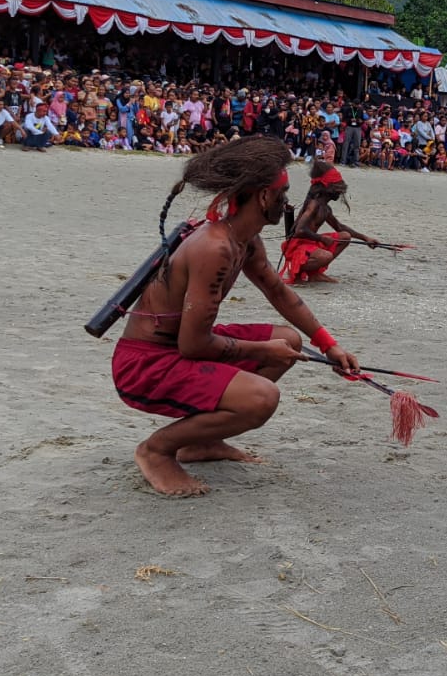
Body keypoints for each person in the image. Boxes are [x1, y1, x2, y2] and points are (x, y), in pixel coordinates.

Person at [111, 135, 360, 496]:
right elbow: (193, 345)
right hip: (144, 365)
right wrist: (263, 350)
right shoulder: (215, 247)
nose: (288, 203)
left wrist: (328, 345)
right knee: (261, 398)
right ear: (263, 196)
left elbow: (278, 291)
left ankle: (202, 442)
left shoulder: (244, 238)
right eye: (283, 194)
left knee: (289, 340)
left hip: (174, 348)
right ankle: (157, 451)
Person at [279, 161, 380, 284]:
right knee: (326, 256)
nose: (339, 192)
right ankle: (298, 270)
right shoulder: (313, 205)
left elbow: (339, 227)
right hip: (298, 246)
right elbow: (299, 231)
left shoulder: (326, 208)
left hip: (311, 244)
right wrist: (321, 238)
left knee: (345, 236)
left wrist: (366, 238)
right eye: (337, 188)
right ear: (328, 188)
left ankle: (315, 274)